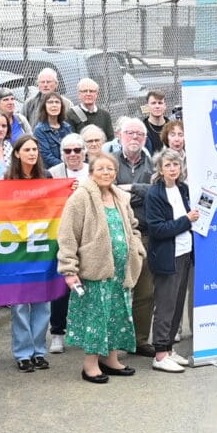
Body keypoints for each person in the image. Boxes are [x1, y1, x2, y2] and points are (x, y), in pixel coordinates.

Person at [58, 151, 144, 382]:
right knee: (97, 317)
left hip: (120, 272)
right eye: (101, 169)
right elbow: (67, 235)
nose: (106, 173)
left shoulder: (120, 197)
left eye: (111, 169)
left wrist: (136, 248)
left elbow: (133, 226)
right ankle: (90, 365)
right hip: (94, 271)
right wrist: (68, 269)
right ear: (91, 172)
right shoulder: (80, 198)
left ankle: (111, 360)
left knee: (117, 314)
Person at [139, 150, 201, 367]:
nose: (173, 168)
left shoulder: (183, 188)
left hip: (185, 253)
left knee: (177, 305)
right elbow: (157, 229)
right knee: (165, 306)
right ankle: (160, 355)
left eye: (176, 164)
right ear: (160, 168)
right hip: (167, 256)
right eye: (168, 165)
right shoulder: (155, 194)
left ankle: (168, 349)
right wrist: (187, 220)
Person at [32, 92, 76, 169]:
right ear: (44, 107)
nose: (54, 105)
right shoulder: (39, 130)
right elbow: (46, 156)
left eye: (57, 102)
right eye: (50, 102)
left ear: (61, 106)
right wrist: (66, 166)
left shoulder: (66, 127)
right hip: (51, 171)